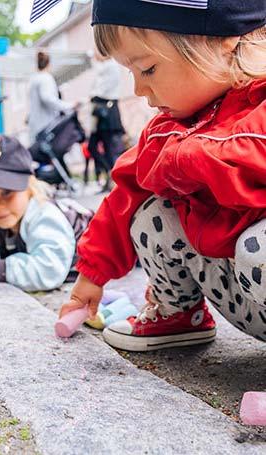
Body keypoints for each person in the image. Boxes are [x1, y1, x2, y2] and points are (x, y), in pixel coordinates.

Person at [59, 0, 266, 352]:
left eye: (148, 69)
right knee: (151, 213)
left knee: (256, 245)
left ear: (221, 39)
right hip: (246, 300)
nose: (139, 89)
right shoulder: (169, 130)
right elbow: (123, 197)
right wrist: (91, 273)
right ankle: (179, 314)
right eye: (132, 73)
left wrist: (191, 156)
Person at [0, 133, 76, 292]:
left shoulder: (44, 216)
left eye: (6, 193)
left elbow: (49, 270)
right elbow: (5, 250)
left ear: (29, 187)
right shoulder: (8, 220)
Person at [88, 48, 126, 191]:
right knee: (94, 145)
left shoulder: (111, 67)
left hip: (108, 112)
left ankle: (115, 180)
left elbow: (100, 92)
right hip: (101, 114)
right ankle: (110, 175)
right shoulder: (103, 68)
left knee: (111, 148)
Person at [28, 51, 72, 145]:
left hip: (35, 124)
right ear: (49, 64)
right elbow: (47, 98)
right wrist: (68, 106)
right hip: (46, 125)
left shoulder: (33, 79)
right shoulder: (46, 78)